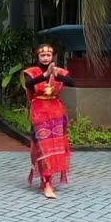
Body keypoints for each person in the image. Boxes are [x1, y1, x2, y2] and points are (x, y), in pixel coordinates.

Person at [22, 43, 80, 199]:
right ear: (38, 56)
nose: (46, 58)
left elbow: (73, 82)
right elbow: (28, 84)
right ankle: (46, 182)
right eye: (43, 55)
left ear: (52, 56)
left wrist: (55, 75)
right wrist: (45, 75)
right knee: (43, 146)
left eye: (48, 55)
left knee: (56, 146)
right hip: (39, 110)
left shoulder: (59, 71)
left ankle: (48, 180)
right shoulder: (31, 72)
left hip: (55, 110)